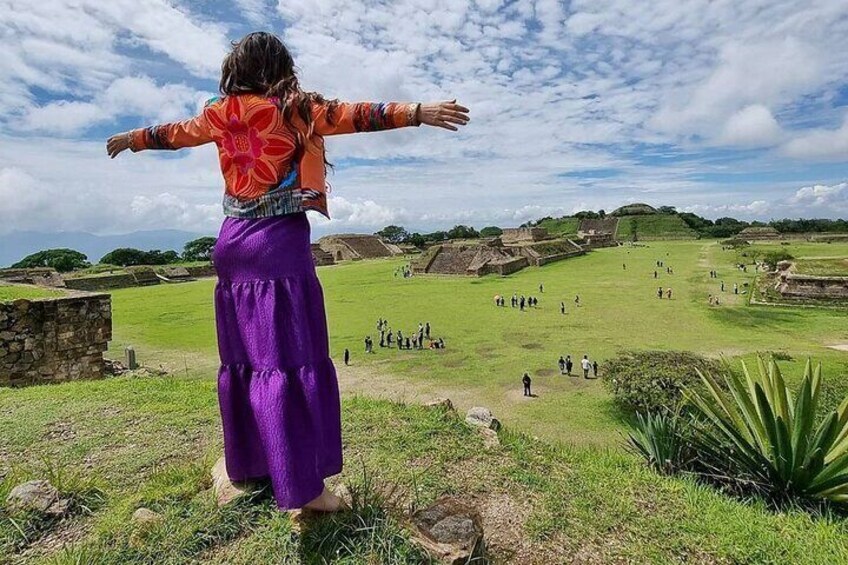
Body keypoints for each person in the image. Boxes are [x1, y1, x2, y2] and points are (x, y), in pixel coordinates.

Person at [107, 31, 470, 513]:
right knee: (289, 360)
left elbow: (174, 133)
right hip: (278, 244)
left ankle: (251, 465)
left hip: (231, 244)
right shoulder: (295, 107)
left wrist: (132, 139)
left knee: (249, 361)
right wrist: (418, 111)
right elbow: (358, 115)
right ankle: (307, 491)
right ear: (279, 66)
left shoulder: (220, 111)